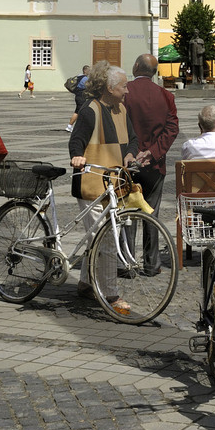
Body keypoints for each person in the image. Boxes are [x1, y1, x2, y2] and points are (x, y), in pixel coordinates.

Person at [69, 64, 138, 314]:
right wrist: (77, 156)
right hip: (91, 182)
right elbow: (76, 140)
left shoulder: (121, 109)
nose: (127, 91)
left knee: (97, 236)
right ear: (109, 88)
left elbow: (132, 139)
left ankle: (86, 284)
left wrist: (130, 154)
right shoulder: (90, 110)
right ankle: (110, 294)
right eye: (123, 86)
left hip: (114, 183)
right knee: (106, 237)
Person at [123, 52, 179, 274]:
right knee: (151, 214)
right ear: (154, 72)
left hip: (128, 161)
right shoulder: (165, 95)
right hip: (154, 165)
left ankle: (127, 262)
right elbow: (172, 128)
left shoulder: (125, 92)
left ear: (136, 66)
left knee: (128, 214)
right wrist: (153, 152)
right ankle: (151, 264)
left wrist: (132, 152)